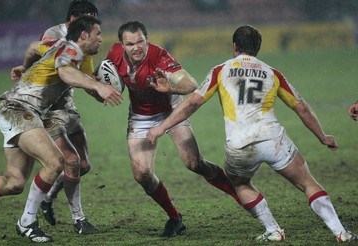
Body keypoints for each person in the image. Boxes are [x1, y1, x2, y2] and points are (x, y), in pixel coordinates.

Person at [146, 25, 358, 242]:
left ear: (234, 46)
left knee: (239, 184)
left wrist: (162, 127)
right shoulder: (272, 73)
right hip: (273, 139)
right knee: (308, 183)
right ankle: (340, 231)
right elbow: (301, 108)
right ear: (257, 48)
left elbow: (192, 104)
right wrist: (322, 136)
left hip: (240, 144)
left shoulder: (221, 70)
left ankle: (273, 230)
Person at [0, 16, 123, 243]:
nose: (100, 39)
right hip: (18, 109)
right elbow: (65, 73)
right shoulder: (70, 49)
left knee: (14, 183)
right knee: (55, 161)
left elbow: (34, 48)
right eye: (98, 34)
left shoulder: (61, 48)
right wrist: (96, 85)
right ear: (84, 34)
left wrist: (26, 68)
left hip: (18, 111)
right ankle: (27, 222)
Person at [106, 20, 241, 238]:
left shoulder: (160, 57)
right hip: (140, 116)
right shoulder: (113, 55)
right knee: (142, 174)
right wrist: (100, 89)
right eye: (130, 44)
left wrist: (172, 86)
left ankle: (240, 195)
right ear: (122, 45)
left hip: (171, 109)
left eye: (140, 41)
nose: (136, 47)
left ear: (147, 39)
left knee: (193, 163)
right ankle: (175, 218)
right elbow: (103, 80)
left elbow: (190, 84)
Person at [10, 0, 101, 234]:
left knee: (83, 164)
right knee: (70, 162)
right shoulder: (54, 35)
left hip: (67, 105)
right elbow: (49, 61)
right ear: (73, 21)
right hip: (48, 108)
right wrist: (25, 68)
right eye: (87, 20)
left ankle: (48, 198)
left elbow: (87, 76)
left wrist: (99, 89)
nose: (92, 26)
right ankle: (78, 219)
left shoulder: (87, 42)